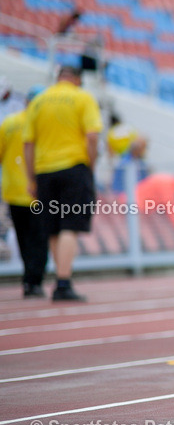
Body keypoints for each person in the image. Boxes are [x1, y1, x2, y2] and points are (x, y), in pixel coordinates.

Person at [24, 66, 102, 301]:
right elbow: (92, 137)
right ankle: (63, 281)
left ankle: (61, 278)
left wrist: (31, 178)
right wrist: (91, 166)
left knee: (53, 228)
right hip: (73, 167)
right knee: (70, 225)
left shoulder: (38, 102)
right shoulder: (82, 97)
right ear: (77, 79)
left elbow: (28, 144)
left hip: (44, 171)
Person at [0, 86, 48, 297]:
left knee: (23, 237)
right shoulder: (44, 124)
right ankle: (34, 280)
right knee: (40, 238)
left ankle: (29, 279)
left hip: (14, 190)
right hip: (39, 190)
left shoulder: (9, 123)